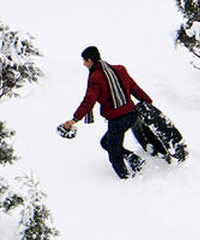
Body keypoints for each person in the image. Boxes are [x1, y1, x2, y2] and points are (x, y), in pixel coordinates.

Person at [61, 46, 152, 179]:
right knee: (106, 143)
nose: (84, 64)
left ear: (90, 60)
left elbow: (89, 101)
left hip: (117, 119)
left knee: (114, 154)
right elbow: (134, 88)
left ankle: (126, 180)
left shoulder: (95, 78)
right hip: (132, 114)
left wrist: (75, 119)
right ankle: (135, 160)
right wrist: (148, 102)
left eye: (85, 61)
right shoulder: (119, 69)